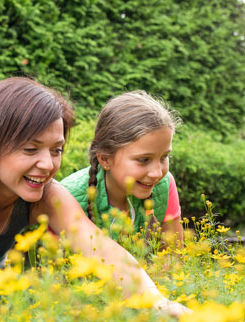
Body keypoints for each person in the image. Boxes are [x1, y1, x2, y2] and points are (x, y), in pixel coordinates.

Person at [0, 77, 187, 316]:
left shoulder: (45, 195)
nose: (48, 164)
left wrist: (161, 304)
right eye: (30, 149)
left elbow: (102, 250)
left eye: (56, 150)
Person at [61, 91, 183, 246]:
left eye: (164, 157)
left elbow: (172, 257)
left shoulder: (164, 185)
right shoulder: (69, 195)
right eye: (143, 160)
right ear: (105, 159)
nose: (157, 173)